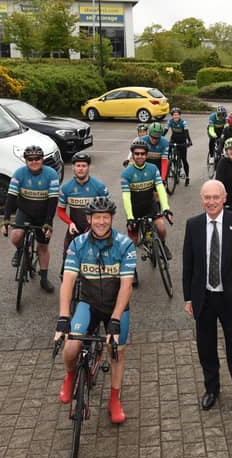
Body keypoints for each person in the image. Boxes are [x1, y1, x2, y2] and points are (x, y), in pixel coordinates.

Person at [182, 180, 232, 428]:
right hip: (203, 298)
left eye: (216, 197)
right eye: (207, 197)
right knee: (206, 347)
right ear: (201, 199)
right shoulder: (193, 225)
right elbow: (188, 265)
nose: (211, 202)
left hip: (230, 299)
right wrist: (188, 297)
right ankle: (211, 388)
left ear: (224, 198)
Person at [55, 197, 135, 424]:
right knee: (71, 347)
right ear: (89, 219)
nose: (101, 222)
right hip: (88, 303)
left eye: (106, 217)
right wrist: (63, 316)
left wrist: (116, 319)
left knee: (116, 351)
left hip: (115, 305)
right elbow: (68, 281)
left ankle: (114, 399)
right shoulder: (77, 244)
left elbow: (127, 285)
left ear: (111, 219)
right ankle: (70, 376)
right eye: (97, 217)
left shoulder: (125, 244)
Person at [0, 145, 60, 293]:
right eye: (30, 159)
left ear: (42, 159)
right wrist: (6, 220)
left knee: (43, 247)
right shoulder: (19, 173)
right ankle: (20, 250)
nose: (34, 162)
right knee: (16, 236)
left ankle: (44, 279)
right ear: (26, 160)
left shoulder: (51, 174)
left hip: (43, 213)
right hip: (25, 210)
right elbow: (11, 197)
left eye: (38, 159)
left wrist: (48, 222)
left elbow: (53, 201)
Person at [121, 140, 173, 284]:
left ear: (147, 155)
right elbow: (126, 196)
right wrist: (130, 217)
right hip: (135, 208)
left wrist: (166, 207)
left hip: (150, 205)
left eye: (142, 154)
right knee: (132, 242)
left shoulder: (152, 169)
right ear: (132, 155)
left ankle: (162, 244)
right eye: (136, 154)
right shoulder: (127, 173)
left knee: (161, 227)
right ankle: (132, 271)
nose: (139, 156)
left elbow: (160, 189)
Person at [57, 152, 109, 272]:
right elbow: (60, 211)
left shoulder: (99, 186)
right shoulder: (66, 188)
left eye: (84, 166)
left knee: (101, 261)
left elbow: (108, 211)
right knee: (67, 259)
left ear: (88, 167)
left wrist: (99, 227)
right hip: (75, 228)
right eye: (78, 166)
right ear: (73, 167)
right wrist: (69, 223)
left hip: (96, 229)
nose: (81, 169)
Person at [164, 107, 193, 186]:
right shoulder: (170, 122)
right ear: (172, 116)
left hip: (182, 142)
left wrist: (189, 141)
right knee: (167, 154)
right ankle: (170, 166)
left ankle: (187, 177)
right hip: (173, 140)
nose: (176, 116)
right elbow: (165, 131)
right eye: (174, 115)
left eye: (177, 115)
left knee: (184, 160)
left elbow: (186, 132)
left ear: (180, 115)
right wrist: (161, 138)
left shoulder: (183, 122)